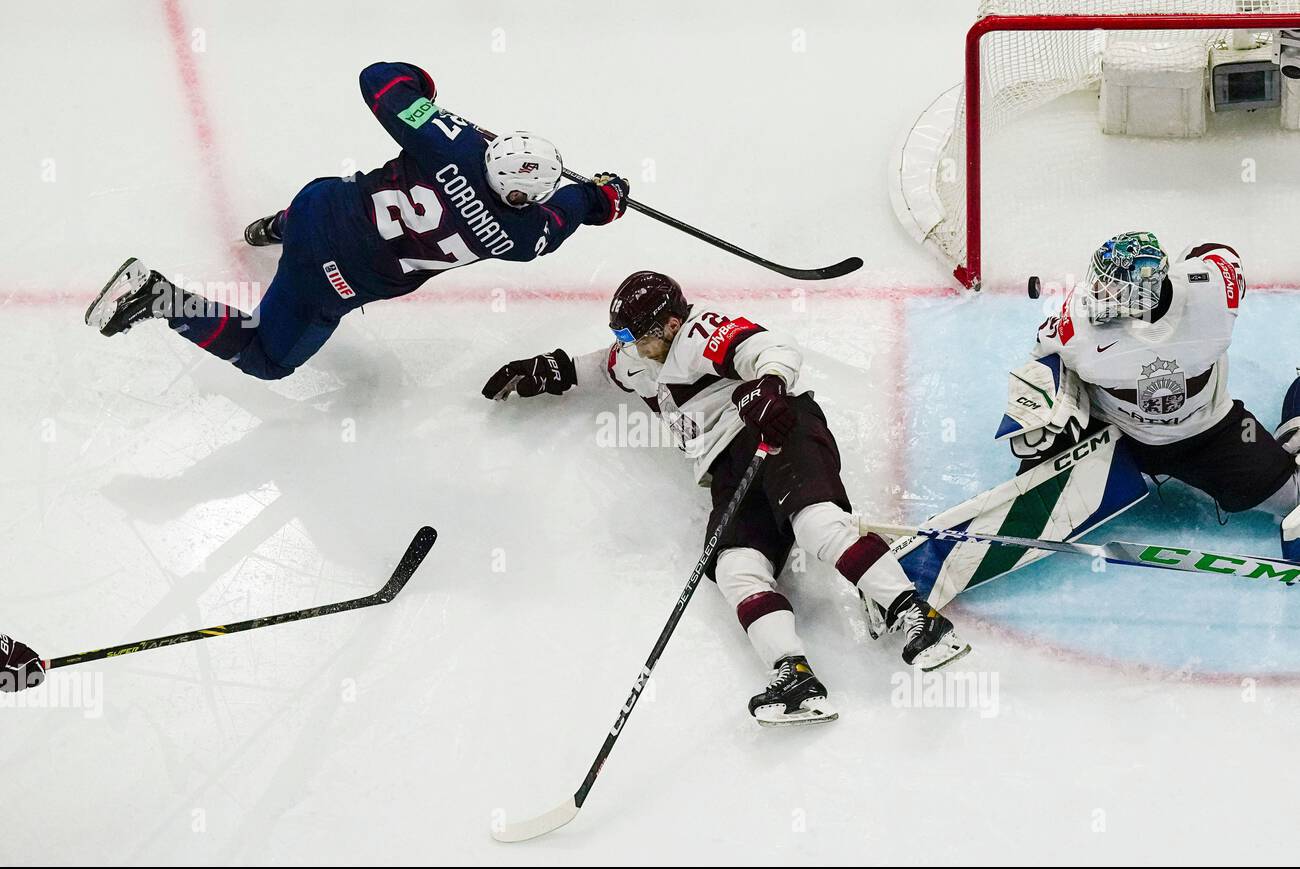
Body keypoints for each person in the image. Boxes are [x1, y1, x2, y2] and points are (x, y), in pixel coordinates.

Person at [481, 270, 970, 726]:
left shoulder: (697, 333)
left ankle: (918, 617)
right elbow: (594, 368)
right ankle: (794, 677)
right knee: (734, 568)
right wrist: (547, 370)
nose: (626, 345)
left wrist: (770, 386)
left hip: (777, 431)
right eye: (621, 336)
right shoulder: (632, 356)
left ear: (671, 324)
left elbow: (769, 347)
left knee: (818, 525)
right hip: (728, 470)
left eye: (635, 335)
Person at [85, 62, 630, 382]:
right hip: (330, 283)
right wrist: (603, 195)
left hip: (317, 208)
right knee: (266, 359)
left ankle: (274, 228)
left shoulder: (449, 139)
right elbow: (572, 212)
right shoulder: (521, 235)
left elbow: (380, 81)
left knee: (332, 207)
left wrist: (425, 95)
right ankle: (157, 296)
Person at [1002, 231, 1300, 558]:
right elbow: (1043, 360)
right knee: (1044, 449)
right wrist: (1037, 412)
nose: (1098, 292)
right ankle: (1039, 476)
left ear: (1145, 293)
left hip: (1209, 433)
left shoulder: (1212, 296)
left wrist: (1190, 261)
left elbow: (1219, 253)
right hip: (1114, 434)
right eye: (1099, 280)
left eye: (1112, 287)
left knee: (1291, 496)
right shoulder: (1078, 324)